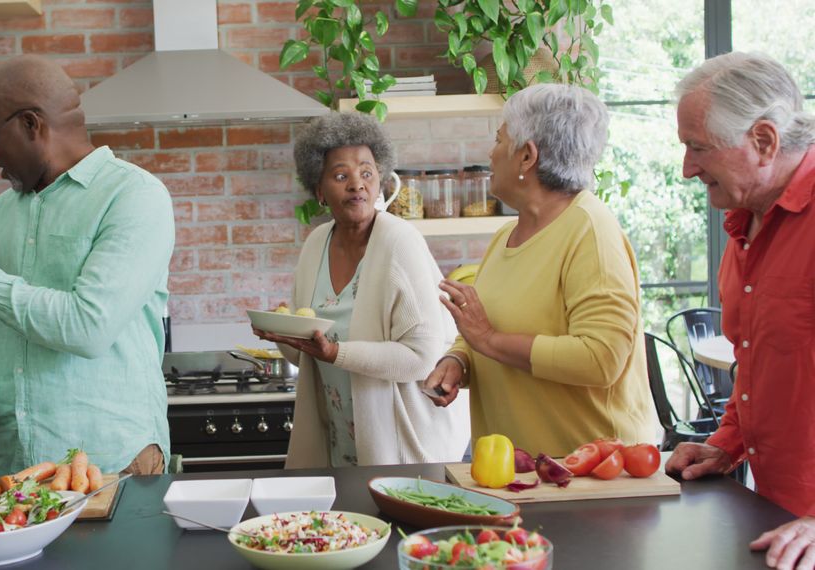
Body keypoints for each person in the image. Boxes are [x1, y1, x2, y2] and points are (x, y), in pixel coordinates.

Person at [0, 55, 175, 477]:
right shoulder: (3, 210)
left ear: (31, 124)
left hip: (111, 464)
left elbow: (88, 325)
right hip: (9, 464)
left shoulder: (135, 197)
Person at [423, 84, 656, 457]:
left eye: (499, 141)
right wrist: (459, 359)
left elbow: (601, 358)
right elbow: (481, 329)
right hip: (515, 472)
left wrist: (489, 341)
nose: (490, 153)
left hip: (590, 475)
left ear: (526, 156)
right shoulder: (505, 236)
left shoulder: (590, 231)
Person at [662, 51, 815, 569]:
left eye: (697, 147)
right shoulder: (744, 223)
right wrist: (727, 444)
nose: (686, 168)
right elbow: (758, 366)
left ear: (764, 141)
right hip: (776, 519)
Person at [253, 113, 465, 468]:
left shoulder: (400, 243)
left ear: (380, 181)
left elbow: (421, 357)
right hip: (341, 446)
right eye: (341, 176)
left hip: (403, 450)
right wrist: (284, 336)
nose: (357, 184)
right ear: (319, 191)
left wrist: (337, 352)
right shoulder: (315, 245)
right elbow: (309, 357)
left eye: (367, 173)